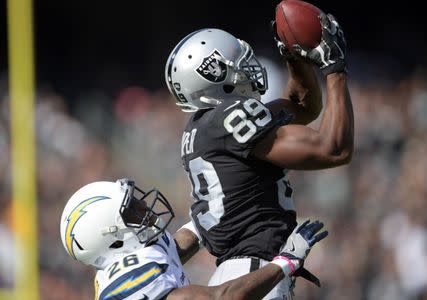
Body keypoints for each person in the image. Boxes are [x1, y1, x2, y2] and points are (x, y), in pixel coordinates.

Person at [164, 8, 353, 299]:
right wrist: (334, 68)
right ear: (214, 73)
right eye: (237, 61)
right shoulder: (229, 119)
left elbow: (302, 106)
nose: (247, 66)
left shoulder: (206, 127)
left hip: (246, 272)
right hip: (255, 274)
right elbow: (335, 149)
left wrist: (294, 57)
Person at [59, 178, 328, 299]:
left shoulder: (131, 257)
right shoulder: (130, 282)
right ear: (113, 239)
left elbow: (172, 250)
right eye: (132, 211)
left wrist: (216, 211)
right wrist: (285, 263)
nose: (144, 209)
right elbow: (223, 298)